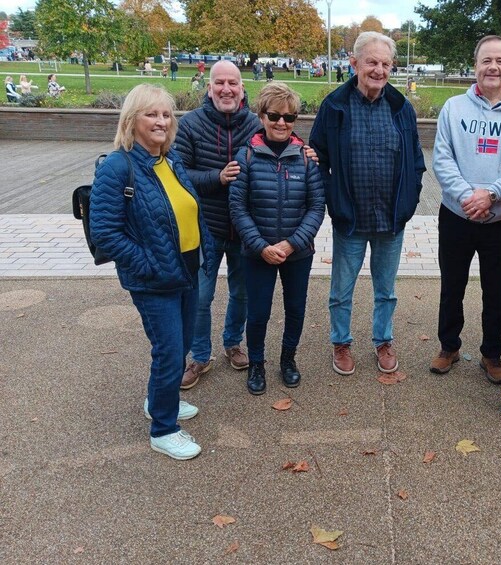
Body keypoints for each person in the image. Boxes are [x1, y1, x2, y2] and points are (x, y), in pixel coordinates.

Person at [90, 84, 213, 460]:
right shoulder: (118, 166)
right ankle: (163, 428)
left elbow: (188, 209)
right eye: (151, 114)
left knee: (179, 346)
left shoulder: (169, 160)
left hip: (187, 271)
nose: (161, 121)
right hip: (154, 279)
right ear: (132, 120)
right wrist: (148, 264)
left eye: (165, 114)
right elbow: (104, 233)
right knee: (169, 352)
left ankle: (161, 401)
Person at [309, 31, 426, 376]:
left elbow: (417, 161)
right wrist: (334, 199)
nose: (378, 69)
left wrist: (408, 203)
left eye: (385, 63)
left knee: (386, 290)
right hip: (351, 219)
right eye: (372, 62)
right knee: (341, 289)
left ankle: (383, 340)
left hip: (391, 219)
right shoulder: (335, 106)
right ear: (355, 63)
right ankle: (341, 342)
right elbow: (318, 158)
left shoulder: (401, 107)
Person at [430, 35, 501, 384]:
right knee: (452, 286)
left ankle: (491, 354)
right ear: (475, 65)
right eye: (486, 60)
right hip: (456, 216)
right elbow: (442, 159)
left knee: (496, 291)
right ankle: (448, 346)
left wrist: (490, 194)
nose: (493, 67)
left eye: (500, 61)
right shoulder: (453, 108)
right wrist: (468, 197)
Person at [230, 83, 325, 395]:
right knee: (258, 312)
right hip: (258, 252)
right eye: (275, 116)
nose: (282, 123)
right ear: (261, 116)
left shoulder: (307, 158)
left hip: (297, 252)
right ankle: (256, 362)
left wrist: (291, 243)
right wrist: (261, 246)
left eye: (290, 117)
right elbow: (238, 208)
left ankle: (288, 359)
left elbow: (316, 207)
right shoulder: (246, 157)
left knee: (295, 308)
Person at [174, 61, 261, 389]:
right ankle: (199, 356)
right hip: (205, 227)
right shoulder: (191, 125)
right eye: (219, 83)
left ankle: (232, 342)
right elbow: (179, 174)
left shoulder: (254, 124)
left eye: (233, 83)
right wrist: (217, 177)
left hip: (243, 228)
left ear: (241, 88)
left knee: (241, 292)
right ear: (209, 88)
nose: (226, 89)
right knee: (200, 296)